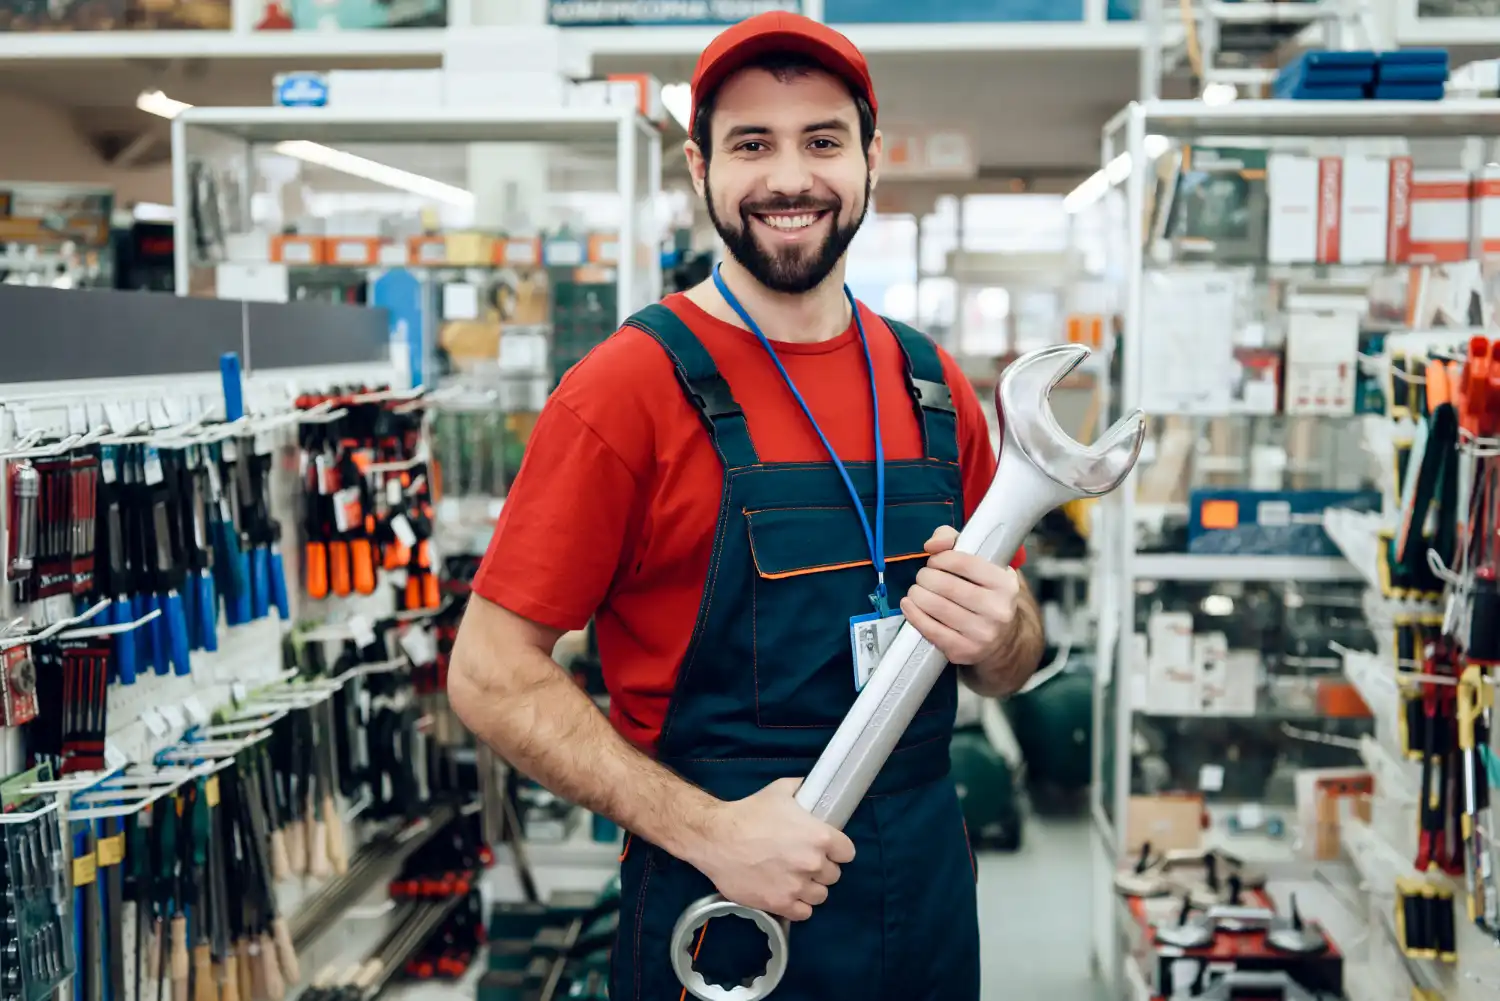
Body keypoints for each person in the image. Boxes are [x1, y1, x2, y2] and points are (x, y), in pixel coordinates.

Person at [448, 12, 1045, 1000]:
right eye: (751, 144)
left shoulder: (933, 383)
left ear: (870, 159)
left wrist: (1005, 628)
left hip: (927, 900)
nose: (788, 178)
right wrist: (708, 830)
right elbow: (489, 674)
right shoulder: (625, 389)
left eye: (821, 140)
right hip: (721, 916)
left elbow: (1012, 656)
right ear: (700, 166)